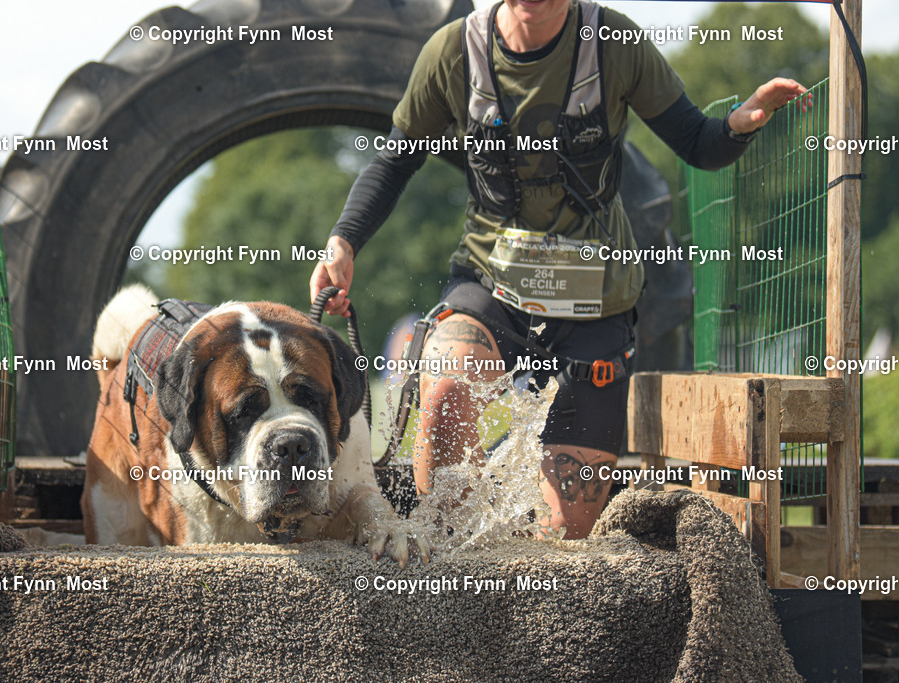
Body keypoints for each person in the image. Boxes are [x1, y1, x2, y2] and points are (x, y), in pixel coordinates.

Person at [309, 0, 809, 539]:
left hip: (597, 303)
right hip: (490, 283)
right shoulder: (454, 52)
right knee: (446, 388)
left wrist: (740, 123)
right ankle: (446, 566)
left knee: (563, 537)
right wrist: (344, 243)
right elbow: (394, 160)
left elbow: (697, 142)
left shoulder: (614, 44)